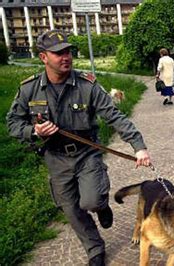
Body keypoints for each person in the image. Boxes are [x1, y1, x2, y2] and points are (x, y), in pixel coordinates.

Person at [6, 30, 152, 265]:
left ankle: (101, 206)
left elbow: (114, 116)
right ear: (43, 57)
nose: (66, 57)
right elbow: (12, 123)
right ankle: (94, 249)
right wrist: (33, 132)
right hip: (55, 157)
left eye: (68, 51)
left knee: (91, 201)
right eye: (58, 53)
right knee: (71, 210)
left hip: (87, 154)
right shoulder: (28, 89)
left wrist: (138, 146)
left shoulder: (87, 85)